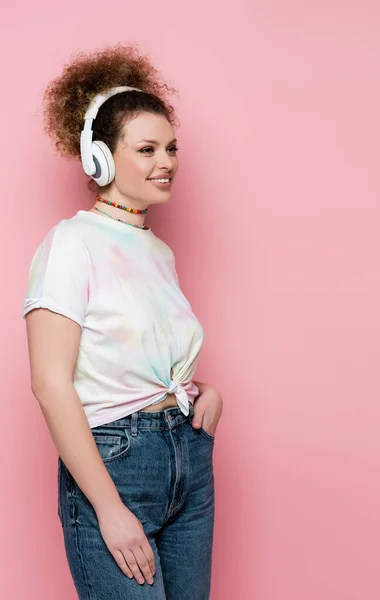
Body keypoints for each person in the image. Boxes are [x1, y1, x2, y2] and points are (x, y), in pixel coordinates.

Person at [22, 43, 223, 600]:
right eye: (147, 149)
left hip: (188, 458)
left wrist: (201, 391)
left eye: (172, 147)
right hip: (116, 464)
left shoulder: (159, 252)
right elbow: (50, 382)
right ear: (101, 159)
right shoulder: (71, 243)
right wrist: (107, 507)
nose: (167, 162)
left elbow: (141, 356)